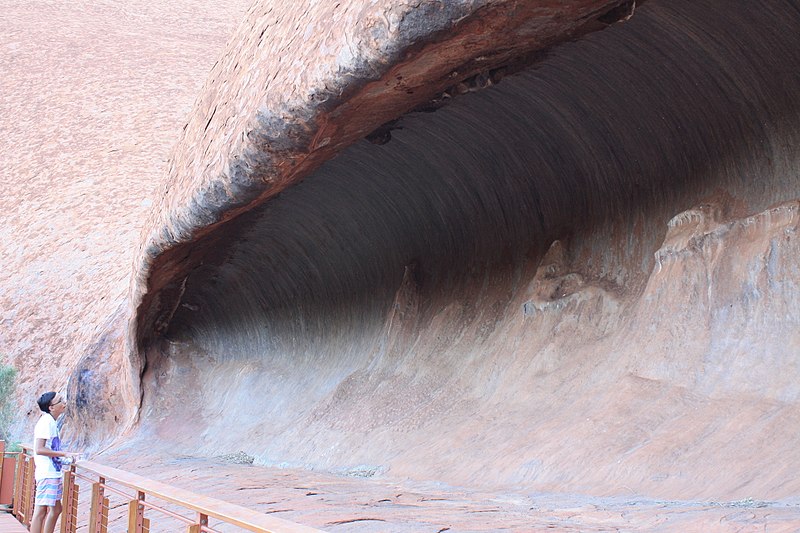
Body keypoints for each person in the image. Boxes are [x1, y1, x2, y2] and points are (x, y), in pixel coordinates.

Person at [30, 391, 79, 533]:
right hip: (47, 474)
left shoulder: (51, 422)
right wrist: (64, 453)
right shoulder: (46, 422)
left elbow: (50, 448)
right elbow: (39, 449)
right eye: (60, 401)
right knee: (40, 511)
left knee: (56, 509)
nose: (64, 402)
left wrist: (64, 459)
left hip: (52, 473)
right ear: (51, 407)